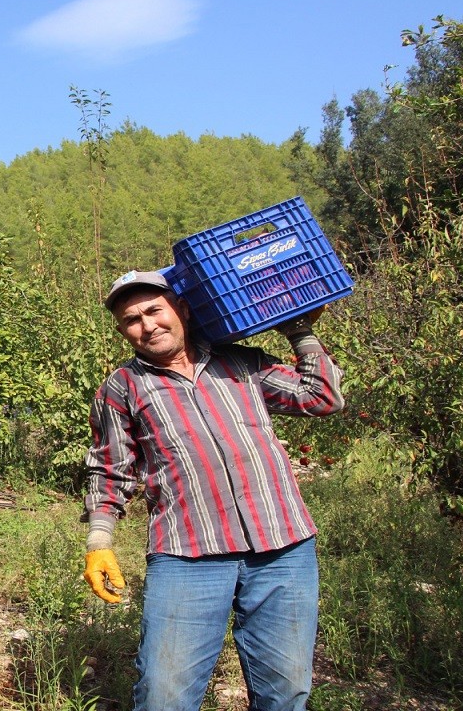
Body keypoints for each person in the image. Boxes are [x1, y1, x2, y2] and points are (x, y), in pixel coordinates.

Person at [82, 270, 344, 711]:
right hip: (188, 555)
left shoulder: (241, 362)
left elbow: (320, 398)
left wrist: (300, 331)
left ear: (181, 310)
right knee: (164, 696)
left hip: (283, 547)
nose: (147, 325)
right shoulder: (121, 388)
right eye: (131, 320)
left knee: (286, 692)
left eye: (154, 310)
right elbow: (110, 469)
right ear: (122, 331)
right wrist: (99, 540)